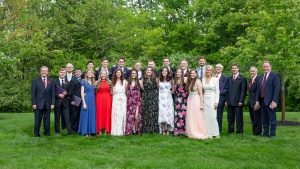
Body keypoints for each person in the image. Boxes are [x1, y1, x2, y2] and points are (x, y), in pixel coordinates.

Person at [254, 61, 280, 138]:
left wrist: (274, 101)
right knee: (264, 119)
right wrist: (257, 101)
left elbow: (276, 89)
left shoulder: (274, 76)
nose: (265, 68)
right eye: (264, 67)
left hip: (270, 102)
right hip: (262, 101)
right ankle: (265, 133)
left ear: (270, 67)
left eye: (267, 66)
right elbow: (258, 90)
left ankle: (272, 134)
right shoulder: (260, 77)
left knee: (272, 119)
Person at [31, 66, 55, 137]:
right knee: (37, 120)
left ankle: (47, 133)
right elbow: (33, 93)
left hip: (48, 103)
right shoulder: (35, 80)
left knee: (47, 120)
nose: (44, 72)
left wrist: (52, 103)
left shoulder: (51, 81)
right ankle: (36, 134)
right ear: (40, 72)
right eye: (42, 71)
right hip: (38, 104)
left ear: (47, 72)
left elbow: (53, 93)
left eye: (45, 71)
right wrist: (34, 103)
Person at [185, 69, 208, 139]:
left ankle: (197, 131)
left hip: (196, 99)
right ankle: (191, 131)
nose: (192, 74)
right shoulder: (188, 81)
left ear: (196, 74)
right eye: (191, 73)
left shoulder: (198, 81)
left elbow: (201, 94)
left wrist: (201, 104)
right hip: (190, 99)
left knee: (196, 115)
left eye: (194, 73)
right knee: (190, 115)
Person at [225, 64, 247, 134]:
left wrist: (241, 100)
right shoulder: (229, 78)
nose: (234, 69)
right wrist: (226, 100)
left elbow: (243, 91)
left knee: (238, 118)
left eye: (235, 68)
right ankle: (230, 130)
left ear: (238, 69)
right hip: (230, 101)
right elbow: (227, 90)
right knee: (230, 117)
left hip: (238, 101)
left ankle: (239, 131)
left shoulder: (242, 78)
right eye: (232, 68)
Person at [202, 65, 220, 138]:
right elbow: (202, 91)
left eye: (210, 70)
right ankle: (208, 133)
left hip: (212, 99)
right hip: (205, 99)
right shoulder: (203, 79)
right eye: (207, 70)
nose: (208, 71)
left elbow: (217, 92)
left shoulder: (215, 79)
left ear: (212, 71)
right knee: (206, 117)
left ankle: (216, 133)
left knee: (212, 117)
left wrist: (216, 102)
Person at [54, 68, 73, 135]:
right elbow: (52, 93)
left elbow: (71, 92)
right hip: (57, 102)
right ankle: (57, 132)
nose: (62, 74)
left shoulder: (68, 82)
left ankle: (70, 132)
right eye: (61, 72)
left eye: (64, 72)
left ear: (65, 74)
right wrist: (58, 95)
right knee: (57, 119)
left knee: (67, 119)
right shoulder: (54, 82)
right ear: (59, 73)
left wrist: (66, 94)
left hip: (65, 103)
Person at [140, 66, 159, 133]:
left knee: (153, 111)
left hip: (154, 96)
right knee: (147, 111)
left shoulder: (155, 79)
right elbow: (143, 89)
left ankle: (154, 128)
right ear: (145, 71)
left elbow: (158, 87)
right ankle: (146, 129)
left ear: (152, 71)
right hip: (147, 96)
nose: (149, 71)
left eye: (150, 70)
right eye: (147, 70)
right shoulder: (142, 80)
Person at [78, 69, 96, 137]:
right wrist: (84, 103)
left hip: (92, 100)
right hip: (86, 99)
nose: (90, 74)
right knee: (86, 115)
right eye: (88, 73)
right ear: (86, 74)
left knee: (91, 115)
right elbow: (82, 93)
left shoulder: (94, 82)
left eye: (91, 73)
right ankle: (85, 132)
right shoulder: (84, 82)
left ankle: (91, 131)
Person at [157, 67, 174, 135]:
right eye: (163, 71)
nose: (164, 72)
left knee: (169, 113)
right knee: (162, 113)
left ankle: (168, 129)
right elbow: (157, 89)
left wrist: (170, 92)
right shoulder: (158, 79)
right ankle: (163, 129)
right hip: (161, 98)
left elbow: (173, 90)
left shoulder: (171, 79)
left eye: (165, 71)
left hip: (168, 99)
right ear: (161, 72)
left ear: (168, 72)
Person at [125, 69, 142, 135]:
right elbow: (126, 91)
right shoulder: (127, 82)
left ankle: (137, 129)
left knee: (136, 115)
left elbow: (143, 89)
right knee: (130, 115)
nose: (133, 74)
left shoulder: (139, 82)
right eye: (132, 73)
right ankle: (133, 130)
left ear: (136, 74)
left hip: (137, 99)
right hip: (130, 100)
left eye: (135, 73)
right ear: (131, 74)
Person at [111, 68, 128, 136]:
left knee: (122, 114)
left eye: (119, 72)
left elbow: (126, 91)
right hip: (115, 99)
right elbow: (111, 92)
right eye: (117, 72)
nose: (118, 73)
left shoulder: (125, 82)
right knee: (116, 114)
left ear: (121, 74)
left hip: (123, 99)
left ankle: (123, 130)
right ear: (115, 74)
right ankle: (116, 130)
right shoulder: (112, 82)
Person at [95, 70, 112, 135]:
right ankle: (99, 130)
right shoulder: (96, 82)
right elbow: (93, 90)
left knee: (106, 113)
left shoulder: (109, 82)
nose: (103, 75)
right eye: (102, 74)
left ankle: (106, 130)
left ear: (106, 75)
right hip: (99, 99)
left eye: (104, 74)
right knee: (99, 113)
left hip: (107, 99)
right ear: (100, 75)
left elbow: (111, 91)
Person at [173, 68, 188, 136]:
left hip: (184, 99)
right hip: (177, 99)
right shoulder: (174, 81)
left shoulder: (185, 79)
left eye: (180, 72)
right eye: (177, 72)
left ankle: (184, 130)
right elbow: (173, 91)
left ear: (182, 73)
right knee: (177, 114)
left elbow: (188, 89)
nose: (178, 73)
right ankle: (178, 130)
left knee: (184, 114)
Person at [248, 66, 262, 135]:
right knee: (253, 117)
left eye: (253, 71)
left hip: (256, 101)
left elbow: (259, 91)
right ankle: (254, 131)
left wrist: (258, 101)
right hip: (250, 101)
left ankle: (258, 132)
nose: (252, 72)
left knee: (257, 118)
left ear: (257, 72)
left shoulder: (259, 79)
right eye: (251, 71)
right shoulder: (250, 79)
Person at [215, 63, 228, 133]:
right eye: (217, 67)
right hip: (212, 99)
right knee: (212, 115)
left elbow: (226, 89)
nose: (218, 69)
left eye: (220, 68)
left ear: (222, 69)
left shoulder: (225, 78)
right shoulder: (212, 77)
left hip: (221, 99)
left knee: (219, 116)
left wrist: (218, 92)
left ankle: (218, 130)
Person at [69, 68, 82, 132]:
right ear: (75, 73)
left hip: (82, 99)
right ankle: (73, 128)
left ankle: (78, 127)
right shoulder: (72, 80)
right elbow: (71, 91)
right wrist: (72, 100)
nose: (78, 73)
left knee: (79, 114)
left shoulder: (82, 80)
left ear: (81, 73)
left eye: (79, 72)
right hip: (75, 99)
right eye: (77, 72)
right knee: (74, 114)